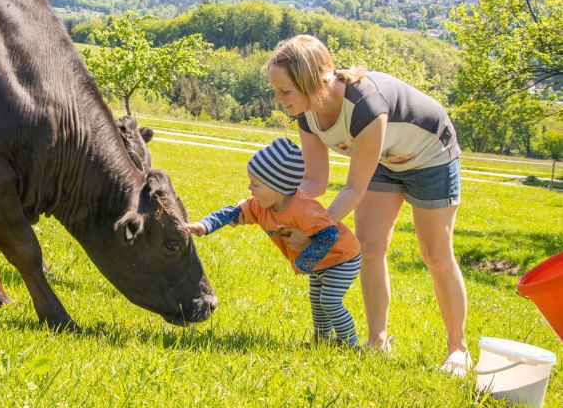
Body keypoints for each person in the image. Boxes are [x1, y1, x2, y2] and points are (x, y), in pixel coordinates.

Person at [265, 34, 470, 375]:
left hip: (431, 154)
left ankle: (458, 349)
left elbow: (353, 189)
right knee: (370, 247)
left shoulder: (365, 107)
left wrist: (315, 233)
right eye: (276, 90)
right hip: (385, 159)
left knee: (436, 255)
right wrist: (275, 203)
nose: (278, 99)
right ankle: (378, 341)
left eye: (284, 90)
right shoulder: (306, 114)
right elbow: (314, 181)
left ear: (311, 82)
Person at [185, 138, 363, 347]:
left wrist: (303, 262)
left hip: (342, 258)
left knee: (329, 301)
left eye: (256, 184)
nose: (250, 188)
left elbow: (329, 235)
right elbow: (232, 212)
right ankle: (322, 341)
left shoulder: (304, 208)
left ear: (278, 188)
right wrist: (204, 226)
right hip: (320, 263)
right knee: (317, 302)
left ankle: (350, 345)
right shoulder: (262, 206)